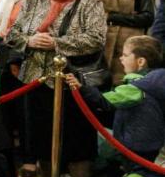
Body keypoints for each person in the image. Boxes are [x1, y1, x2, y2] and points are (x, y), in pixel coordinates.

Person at [4, 0, 107, 177]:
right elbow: (12, 34)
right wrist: (30, 40)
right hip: (34, 80)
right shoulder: (36, 0)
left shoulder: (88, 2)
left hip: (72, 81)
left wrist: (57, 43)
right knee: (40, 137)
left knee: (77, 141)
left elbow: (96, 38)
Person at [67, 36, 165, 167]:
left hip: (135, 146)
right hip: (151, 143)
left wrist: (81, 88)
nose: (121, 58)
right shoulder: (155, 83)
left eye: (125, 55)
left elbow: (104, 101)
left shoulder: (136, 88)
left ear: (140, 61)